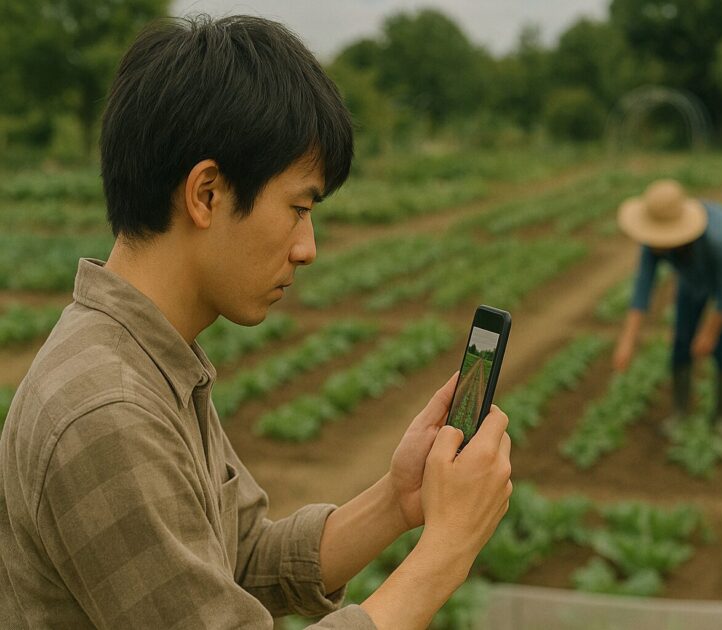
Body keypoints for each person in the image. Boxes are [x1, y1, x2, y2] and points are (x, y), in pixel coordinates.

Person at [0, 15, 512, 630]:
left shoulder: (149, 359)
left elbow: (241, 557)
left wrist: (396, 502)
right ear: (207, 194)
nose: (307, 247)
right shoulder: (109, 412)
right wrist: (445, 555)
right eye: (298, 208)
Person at [612, 179, 722, 438]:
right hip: (693, 278)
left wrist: (710, 333)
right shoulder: (654, 242)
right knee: (682, 337)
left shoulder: (717, 240)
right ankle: (680, 412)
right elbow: (643, 287)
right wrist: (627, 341)